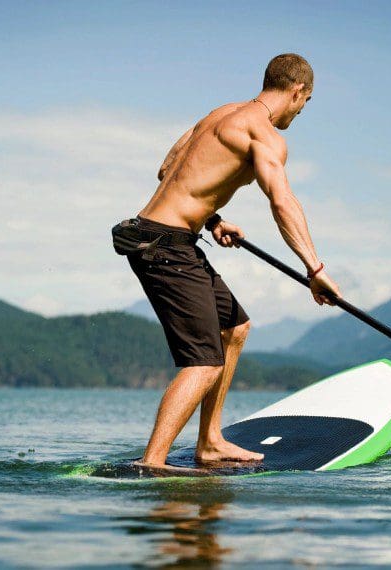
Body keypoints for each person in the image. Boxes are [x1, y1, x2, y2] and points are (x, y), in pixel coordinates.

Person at [112, 53, 341, 468]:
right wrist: (315, 270)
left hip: (165, 237)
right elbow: (282, 201)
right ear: (297, 91)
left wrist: (210, 217)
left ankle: (210, 441)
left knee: (234, 327)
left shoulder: (221, 114)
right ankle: (152, 464)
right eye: (306, 102)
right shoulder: (266, 136)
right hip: (167, 247)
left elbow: (168, 169)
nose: (303, 110)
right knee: (202, 362)